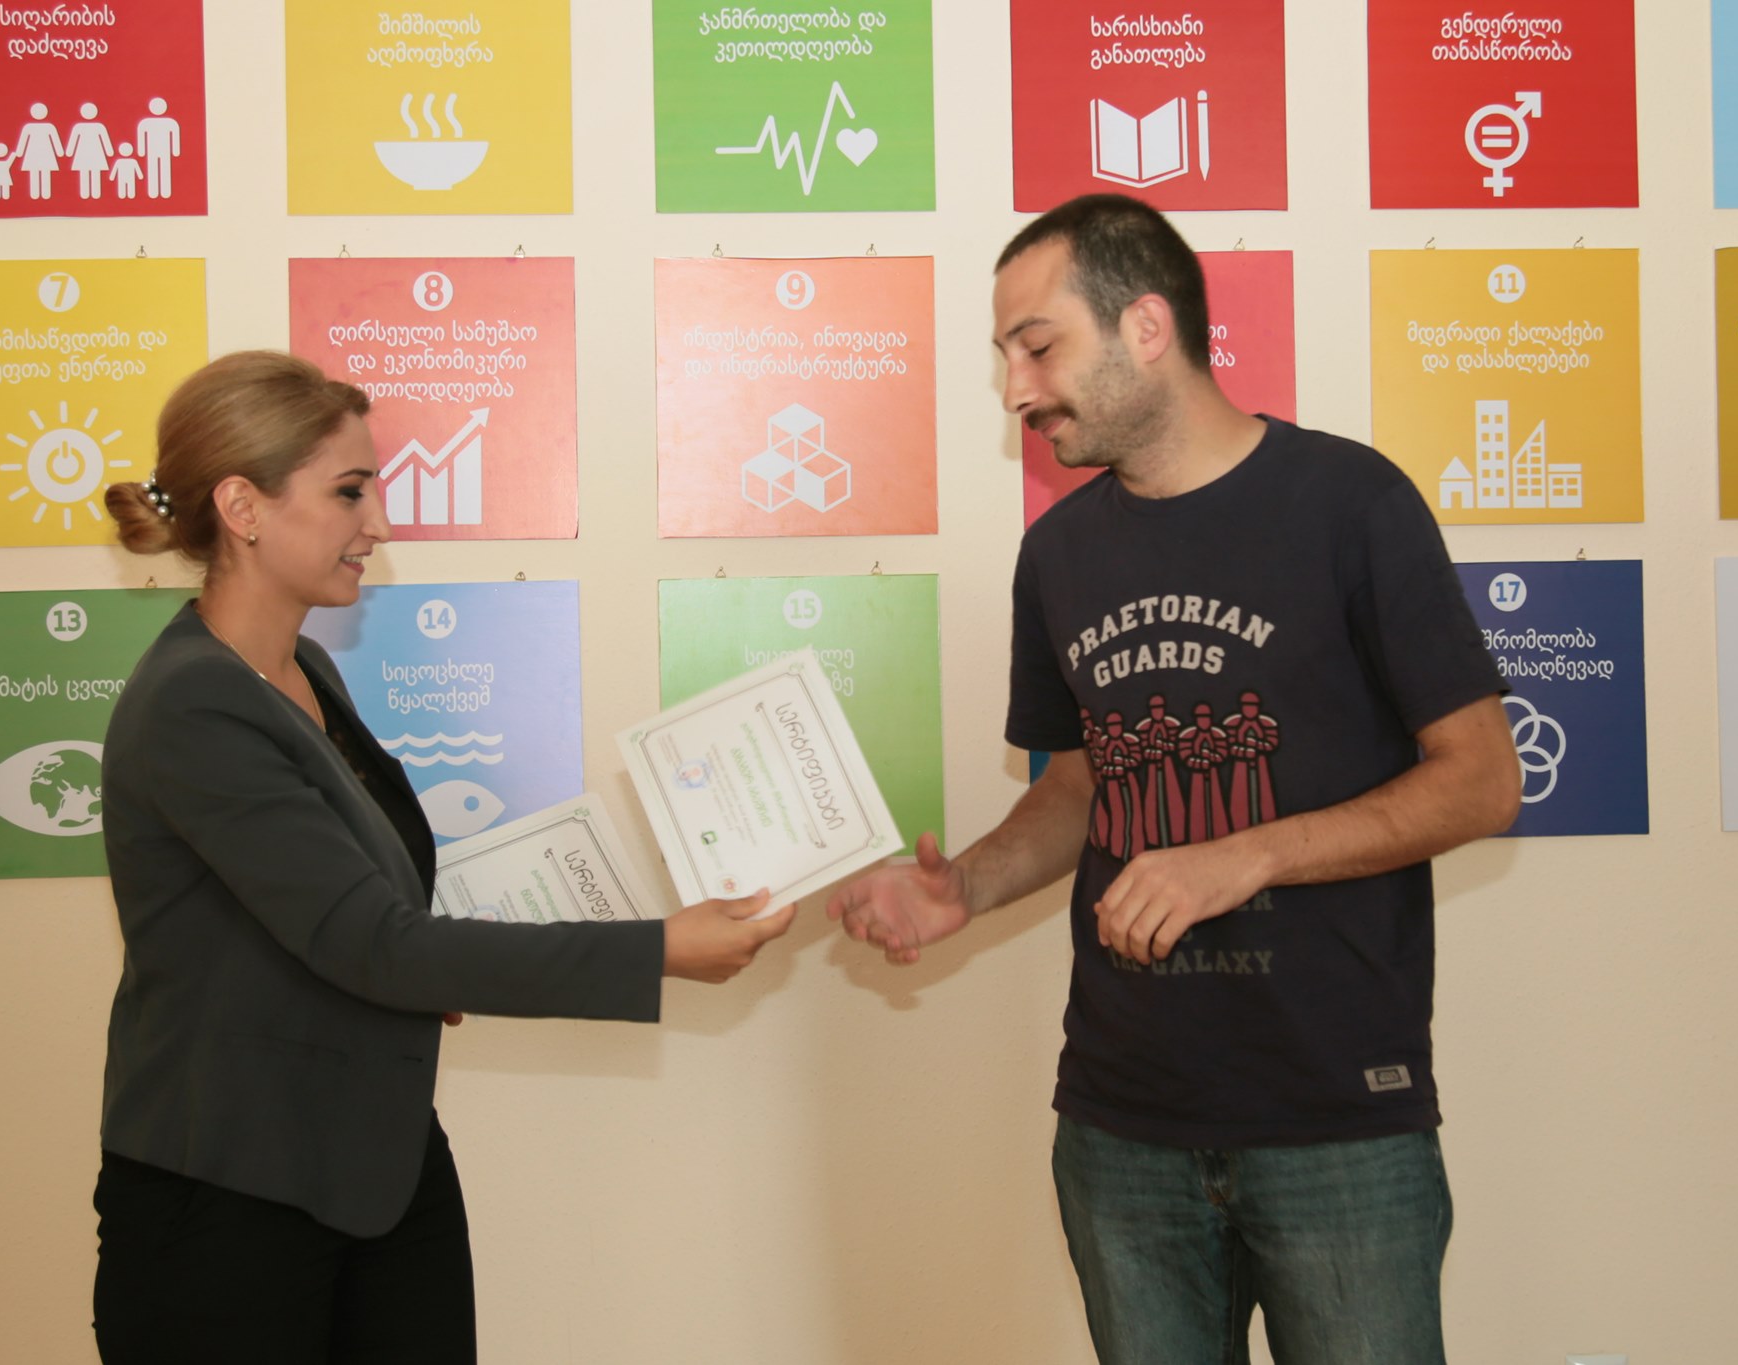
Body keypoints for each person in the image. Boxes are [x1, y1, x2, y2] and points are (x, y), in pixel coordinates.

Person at [827, 195, 1520, 1364]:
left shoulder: (1349, 503)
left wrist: (1245, 855)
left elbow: (1481, 783)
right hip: (1120, 1128)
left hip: (1336, 1120)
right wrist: (967, 887)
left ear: (1145, 326)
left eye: (1035, 346)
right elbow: (1081, 783)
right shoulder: (1059, 553)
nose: (1013, 389)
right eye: (1004, 356)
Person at [94, 350, 794, 1363]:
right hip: (232, 1197)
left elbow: (361, 916)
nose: (377, 524)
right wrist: (657, 951)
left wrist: (436, 966)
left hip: (373, 1166)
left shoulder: (303, 669)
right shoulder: (193, 703)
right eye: (348, 492)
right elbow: (375, 944)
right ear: (242, 507)